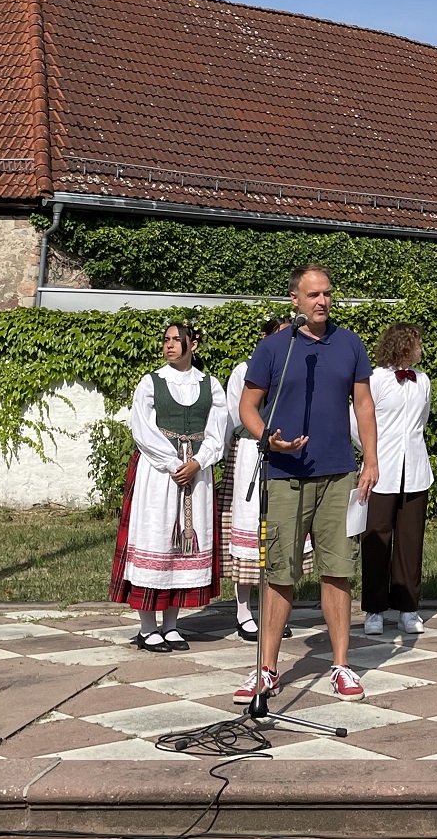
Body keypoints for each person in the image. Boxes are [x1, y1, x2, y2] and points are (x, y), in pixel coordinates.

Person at [232, 265, 380, 705]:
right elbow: (247, 406)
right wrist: (267, 438)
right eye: (313, 295)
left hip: (338, 474)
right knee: (280, 572)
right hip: (285, 475)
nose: (322, 302)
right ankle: (267, 669)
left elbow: (364, 404)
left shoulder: (350, 343)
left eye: (327, 294)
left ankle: (341, 665)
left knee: (339, 569)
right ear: (294, 299)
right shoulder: (275, 348)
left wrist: (371, 460)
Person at [109, 321, 229, 652]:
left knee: (183, 548)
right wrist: (175, 463)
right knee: (157, 539)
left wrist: (198, 462)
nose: (169, 345)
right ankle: (148, 627)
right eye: (166, 340)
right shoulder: (151, 383)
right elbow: (142, 429)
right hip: (158, 474)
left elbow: (219, 431)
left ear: (194, 344)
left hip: (196, 473)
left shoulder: (211, 385)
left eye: (177, 340)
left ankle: (172, 625)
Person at [221, 314, 292, 641]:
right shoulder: (244, 370)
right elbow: (236, 417)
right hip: (251, 452)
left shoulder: (292, 370)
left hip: (286, 454)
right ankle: (243, 610)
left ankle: (273, 611)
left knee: (278, 531)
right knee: (250, 528)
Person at [359, 323, 433, 637]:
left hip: (415, 470)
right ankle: (375, 609)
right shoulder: (375, 380)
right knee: (376, 538)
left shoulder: (423, 381)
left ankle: (408, 608)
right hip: (381, 471)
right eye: (417, 343)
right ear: (404, 345)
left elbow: (423, 419)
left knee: (410, 540)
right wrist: (371, 455)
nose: (421, 349)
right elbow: (357, 421)